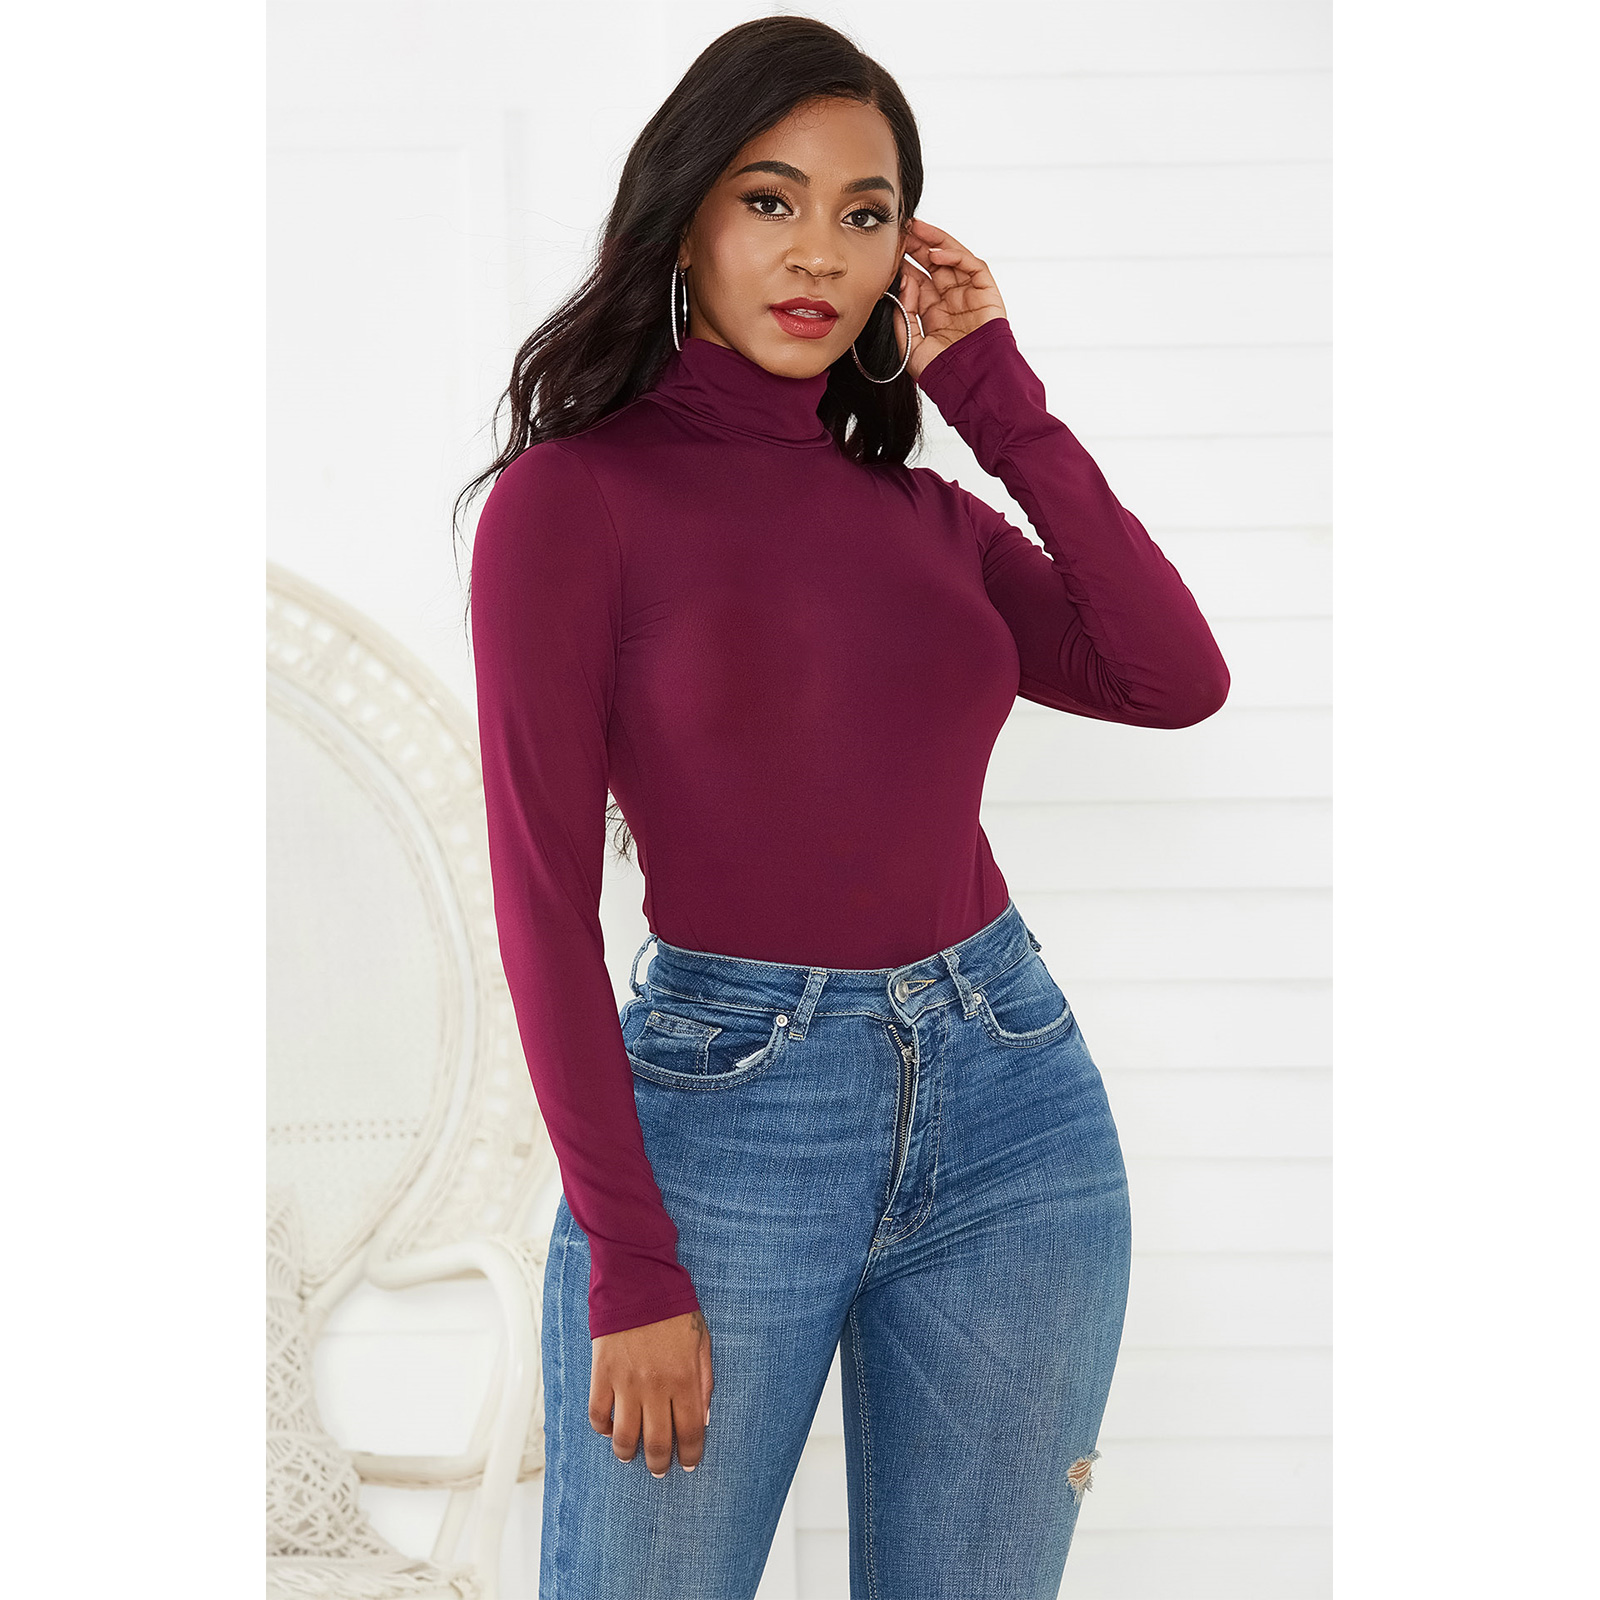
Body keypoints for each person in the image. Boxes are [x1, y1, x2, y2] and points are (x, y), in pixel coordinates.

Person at [459, 15, 1229, 1598]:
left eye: (864, 213)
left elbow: (1172, 677)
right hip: (725, 1126)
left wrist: (997, 397)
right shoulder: (570, 503)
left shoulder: (929, 519)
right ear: (685, 219)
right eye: (770, 199)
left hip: (1014, 1103)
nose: (818, 250)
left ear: (902, 256)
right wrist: (632, 1257)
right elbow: (537, 901)